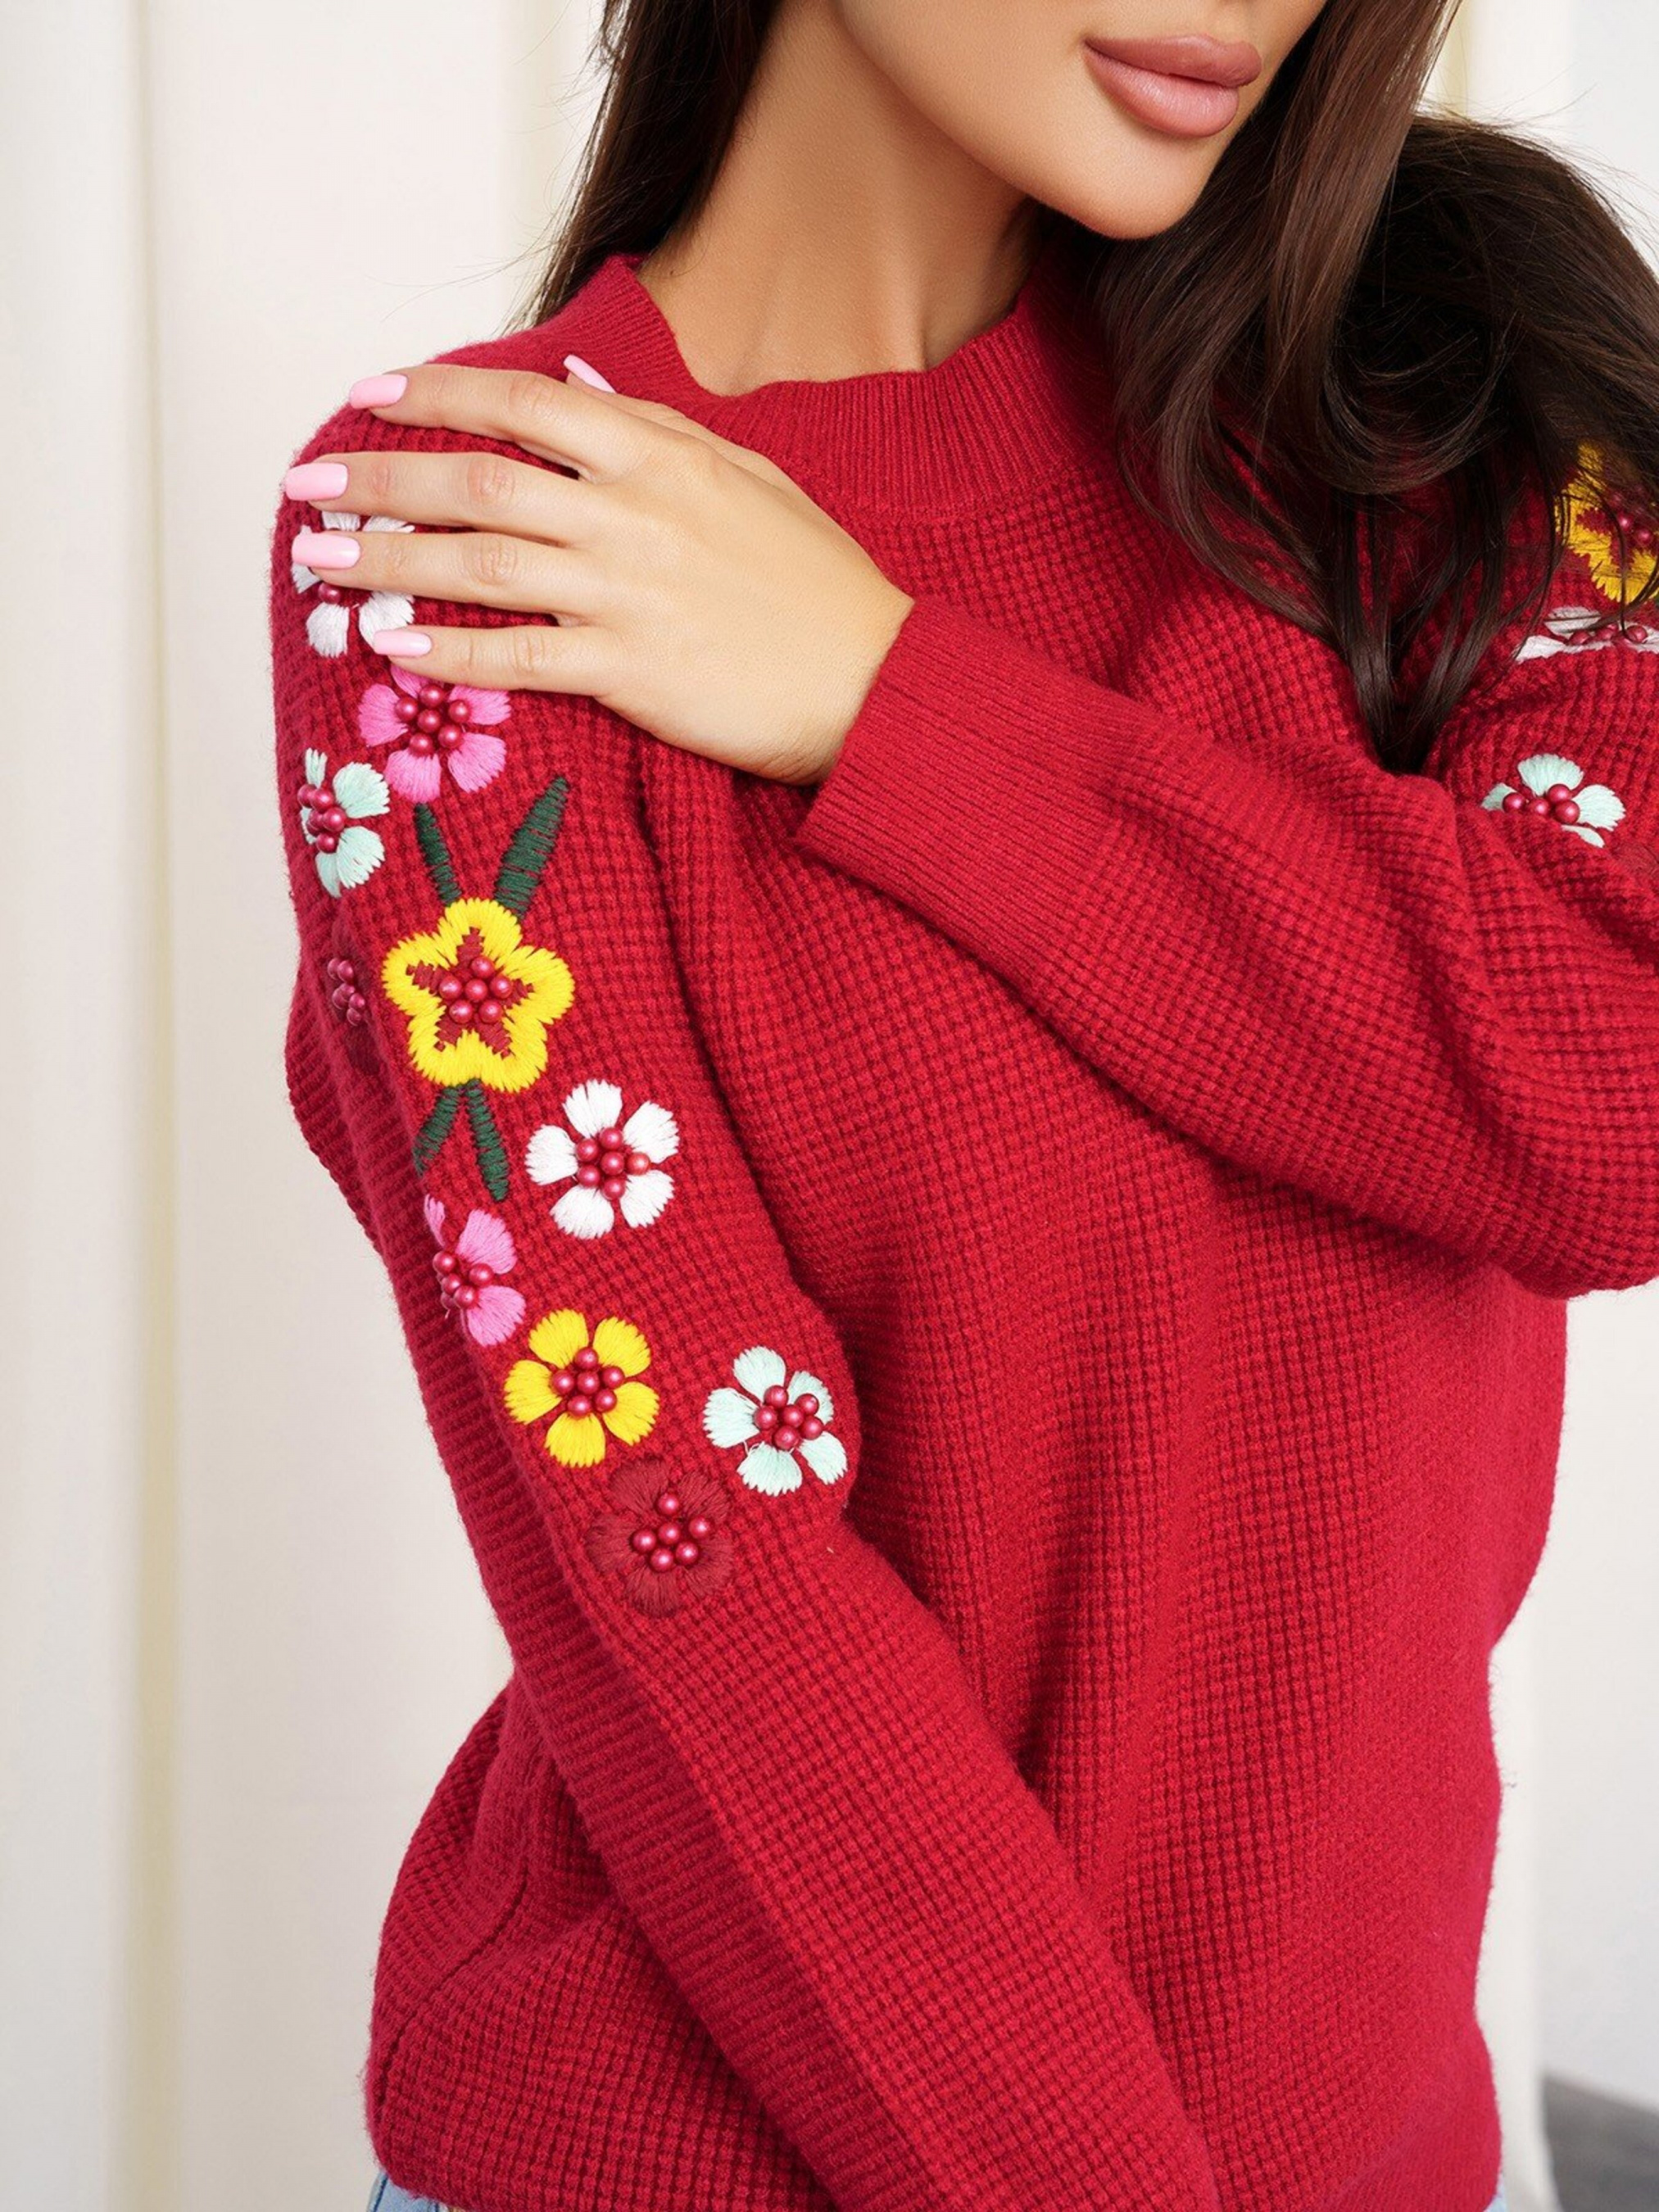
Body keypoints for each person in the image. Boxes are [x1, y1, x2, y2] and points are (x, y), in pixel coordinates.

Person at [269, 0, 1659, 2205]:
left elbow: (1616, 1090)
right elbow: (700, 1563)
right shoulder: (486, 538)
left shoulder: (1453, 384)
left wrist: (890, 702)